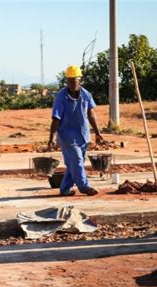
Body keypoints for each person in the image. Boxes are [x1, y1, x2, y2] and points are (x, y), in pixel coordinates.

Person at [48, 65, 104, 196]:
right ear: (66, 81)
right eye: (69, 81)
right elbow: (55, 119)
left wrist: (97, 133)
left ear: (80, 80)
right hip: (67, 137)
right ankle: (84, 187)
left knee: (74, 164)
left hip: (83, 136)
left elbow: (91, 114)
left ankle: (65, 189)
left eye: (75, 80)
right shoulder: (61, 97)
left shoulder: (86, 95)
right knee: (77, 161)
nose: (72, 83)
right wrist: (51, 138)